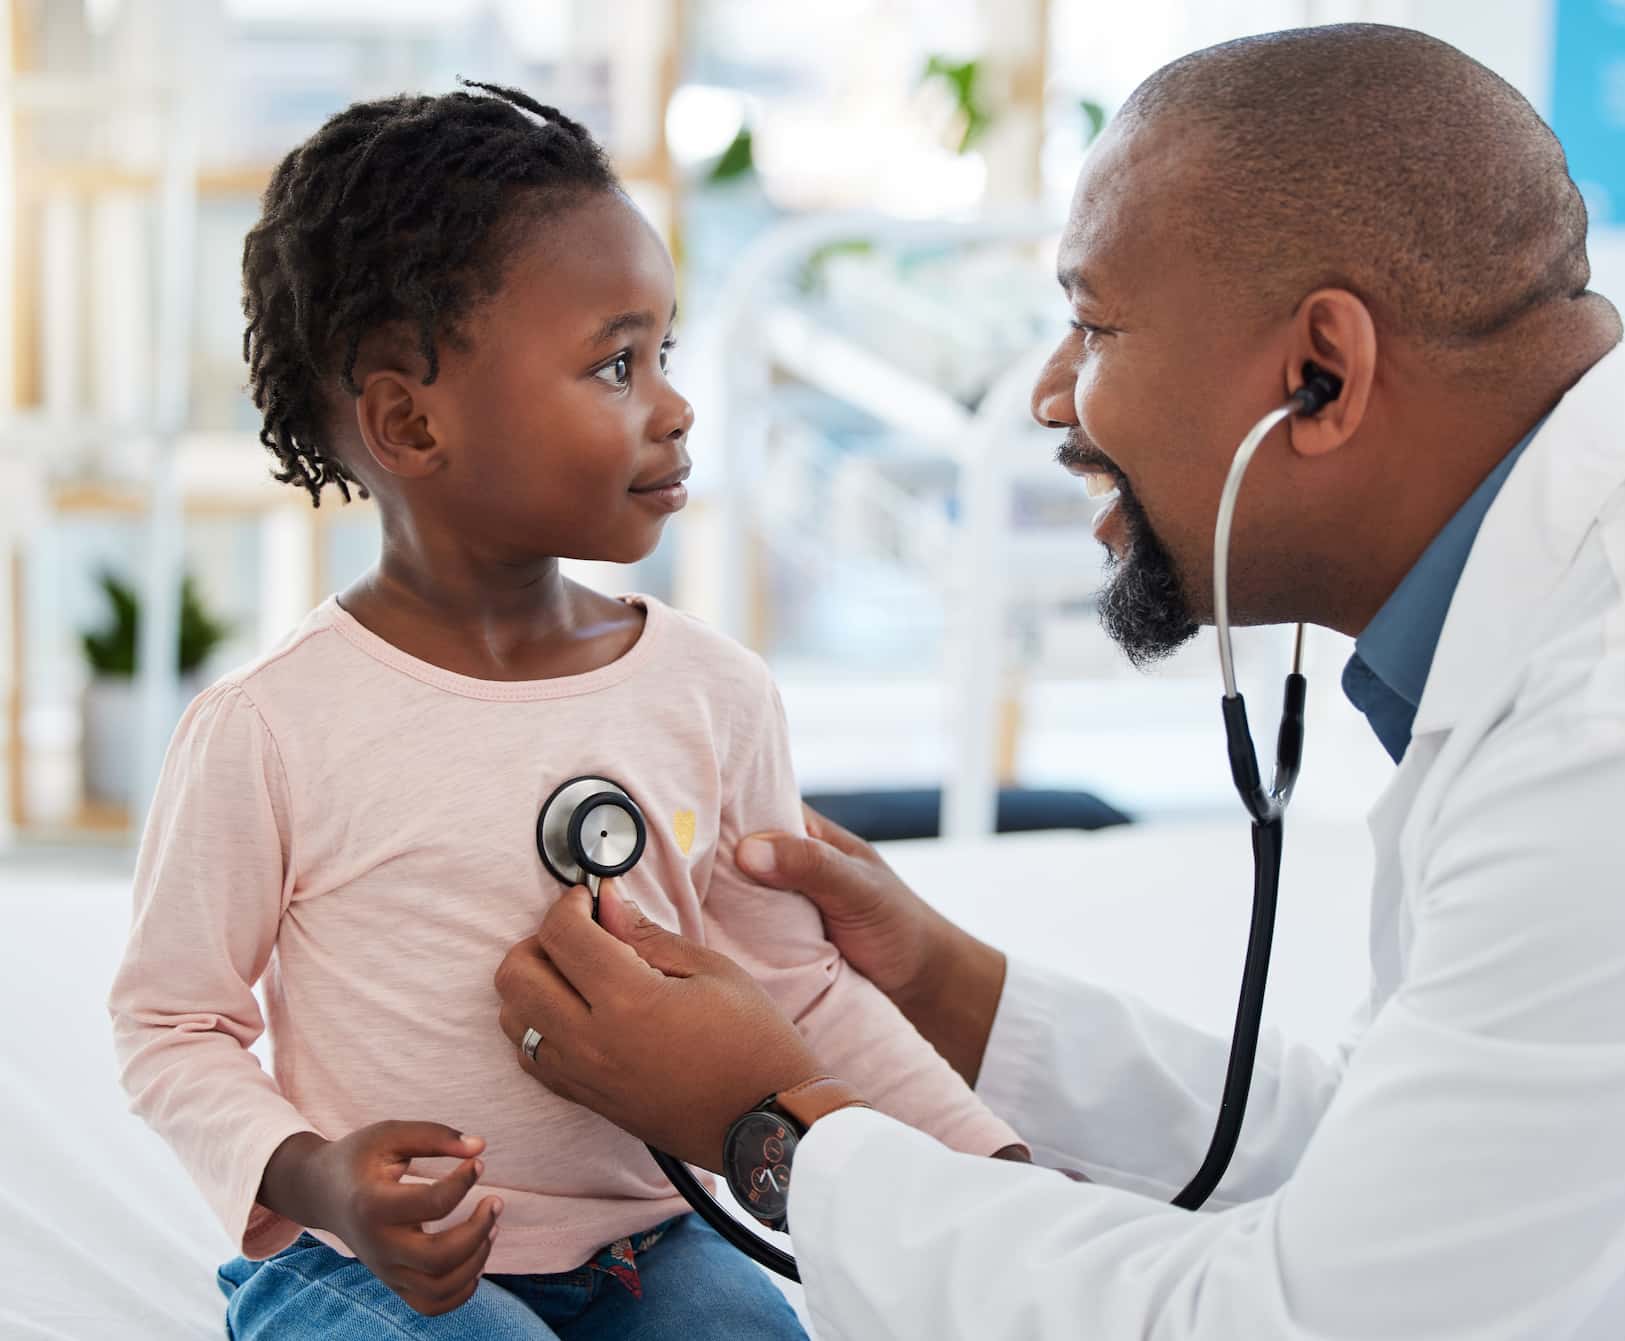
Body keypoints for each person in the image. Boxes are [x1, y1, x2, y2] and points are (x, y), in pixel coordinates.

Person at [493, 24, 1625, 1340]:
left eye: (1095, 327)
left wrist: (766, 1123)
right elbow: (1398, 1163)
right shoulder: (1611, 604)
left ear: (1321, 373)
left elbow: (1301, 1322)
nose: (1052, 392)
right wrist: (943, 986)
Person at [106, 82, 1022, 1341]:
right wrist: (324, 1177)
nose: (675, 405)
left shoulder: (713, 692)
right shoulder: (272, 729)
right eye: (613, 364)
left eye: (666, 356)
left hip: (650, 1246)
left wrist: (990, 1166)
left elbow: (794, 991)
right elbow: (172, 1023)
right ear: (409, 420)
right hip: (367, 1267)